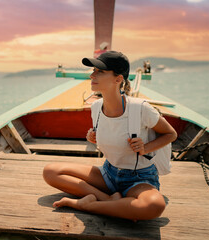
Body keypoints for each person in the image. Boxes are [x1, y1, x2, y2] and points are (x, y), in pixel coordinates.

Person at [43, 51, 177, 221]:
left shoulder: (141, 109)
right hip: (108, 172)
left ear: (118, 79)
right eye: (93, 70)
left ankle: (86, 205)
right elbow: (111, 133)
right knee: (50, 172)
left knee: (154, 206)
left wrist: (145, 148)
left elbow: (171, 134)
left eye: (100, 71)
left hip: (139, 178)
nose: (92, 75)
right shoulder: (96, 107)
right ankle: (108, 200)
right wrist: (92, 136)